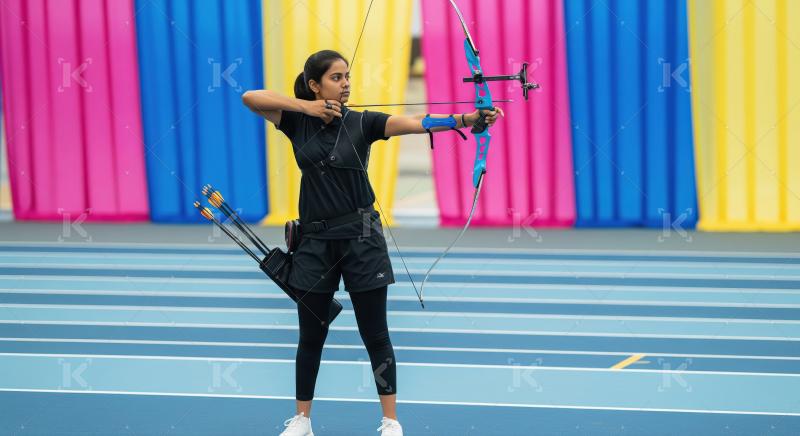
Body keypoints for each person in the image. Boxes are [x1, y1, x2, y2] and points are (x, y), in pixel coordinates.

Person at [242, 49, 502, 436]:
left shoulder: (364, 122)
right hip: (314, 241)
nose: (345, 83)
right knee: (311, 334)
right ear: (315, 85)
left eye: (347, 76)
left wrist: (467, 119)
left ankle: (390, 420)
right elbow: (251, 97)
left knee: (375, 333)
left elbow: (416, 122)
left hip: (362, 238)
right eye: (336, 78)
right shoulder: (296, 121)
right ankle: (302, 420)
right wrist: (307, 109)